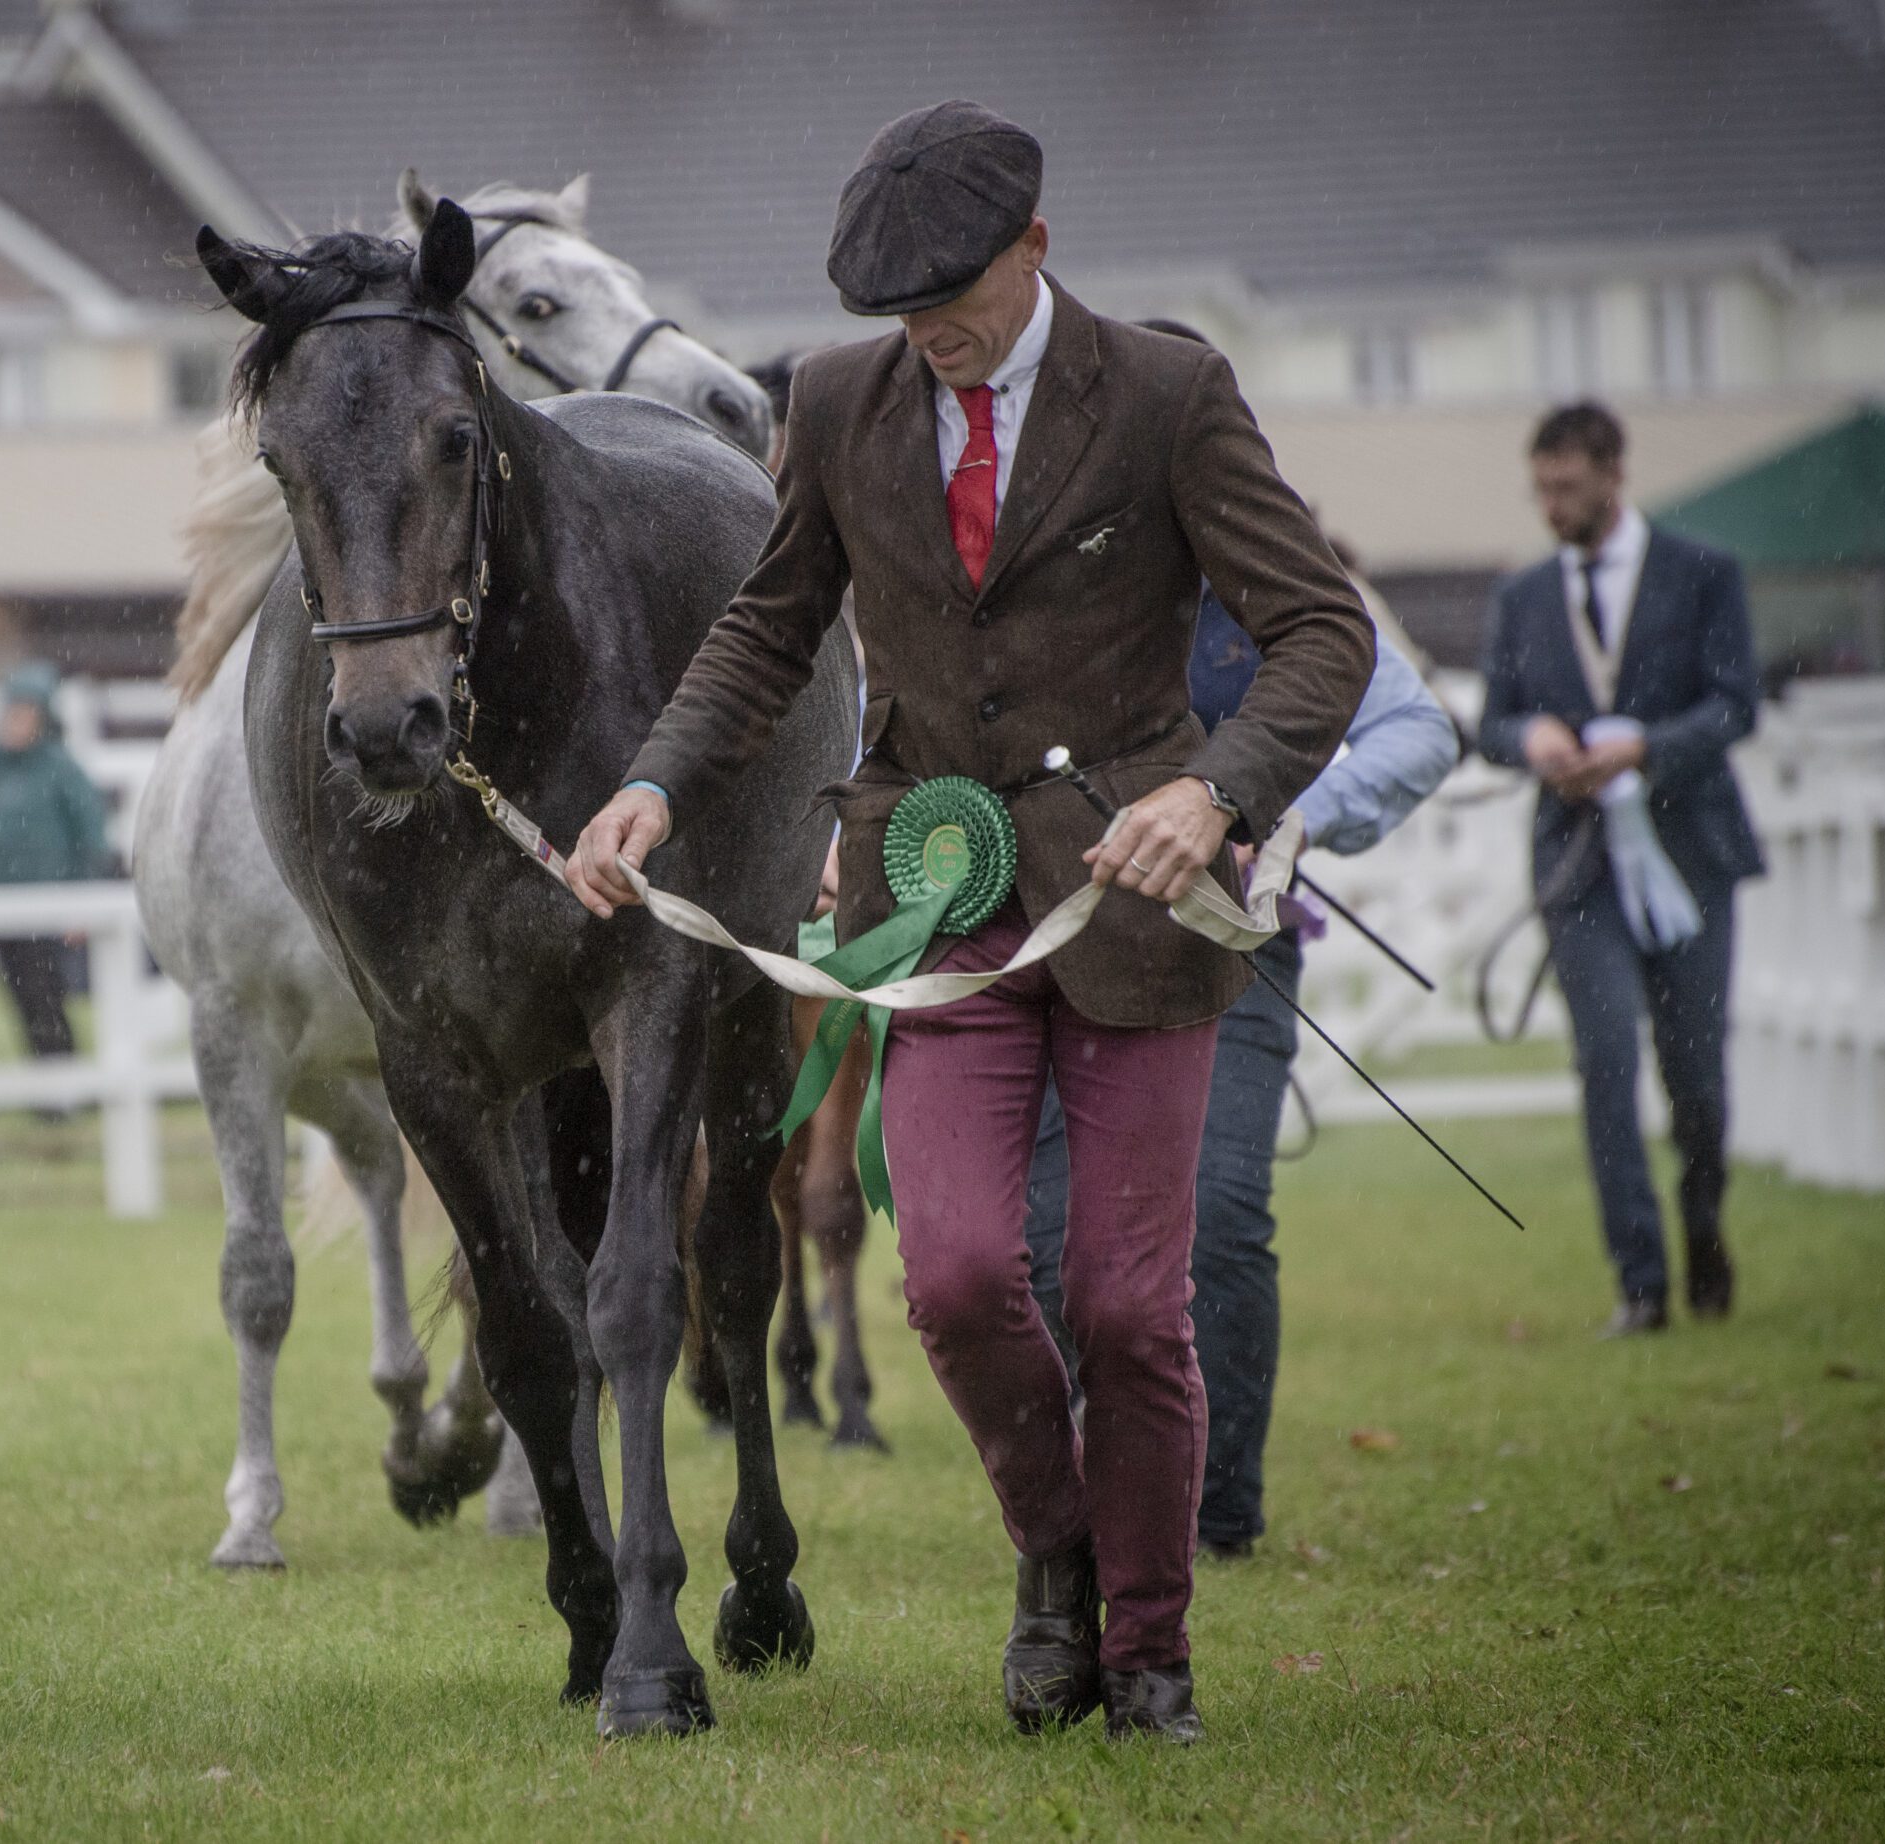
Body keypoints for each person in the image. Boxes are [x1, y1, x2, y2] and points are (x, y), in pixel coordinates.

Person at [564, 101, 1373, 1742]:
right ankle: (1058, 1557)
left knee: (1129, 1306)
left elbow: (1320, 631)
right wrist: (651, 779)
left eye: (952, 297)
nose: (927, 330)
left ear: (1034, 248)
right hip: (934, 905)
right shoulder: (837, 403)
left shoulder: (1168, 394)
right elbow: (768, 627)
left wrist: (1216, 792)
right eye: (898, 307)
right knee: (950, 1275)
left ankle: (1148, 1650)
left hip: (1138, 902)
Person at [1023, 585, 1459, 1559]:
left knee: (1218, 1211)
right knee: (1049, 1235)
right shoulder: (1036, 568)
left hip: (1231, 942)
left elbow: (1418, 731)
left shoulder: (1268, 579)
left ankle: (1212, 1516)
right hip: (1056, 947)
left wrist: (1289, 813)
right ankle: (1087, 1495)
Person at [1479, 402, 1763, 1337]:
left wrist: (1646, 748)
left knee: (1697, 1077)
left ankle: (1704, 1227)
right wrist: (1533, 737)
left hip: (1691, 858)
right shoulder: (1522, 596)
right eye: (1540, 489)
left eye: (1566, 487)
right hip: (1579, 867)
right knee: (1605, 1061)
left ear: (1613, 475)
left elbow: (1736, 706)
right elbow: (1491, 723)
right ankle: (1640, 1280)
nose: (1551, 506)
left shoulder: (1702, 572)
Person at [0, 663, 111, 1063]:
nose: (16, 722)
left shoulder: (59, 768)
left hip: (45, 901)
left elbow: (90, 833)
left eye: (26, 713)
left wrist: (82, 900)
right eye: (12, 712)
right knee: (21, 995)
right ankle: (51, 1072)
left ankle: (62, 1072)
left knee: (44, 992)